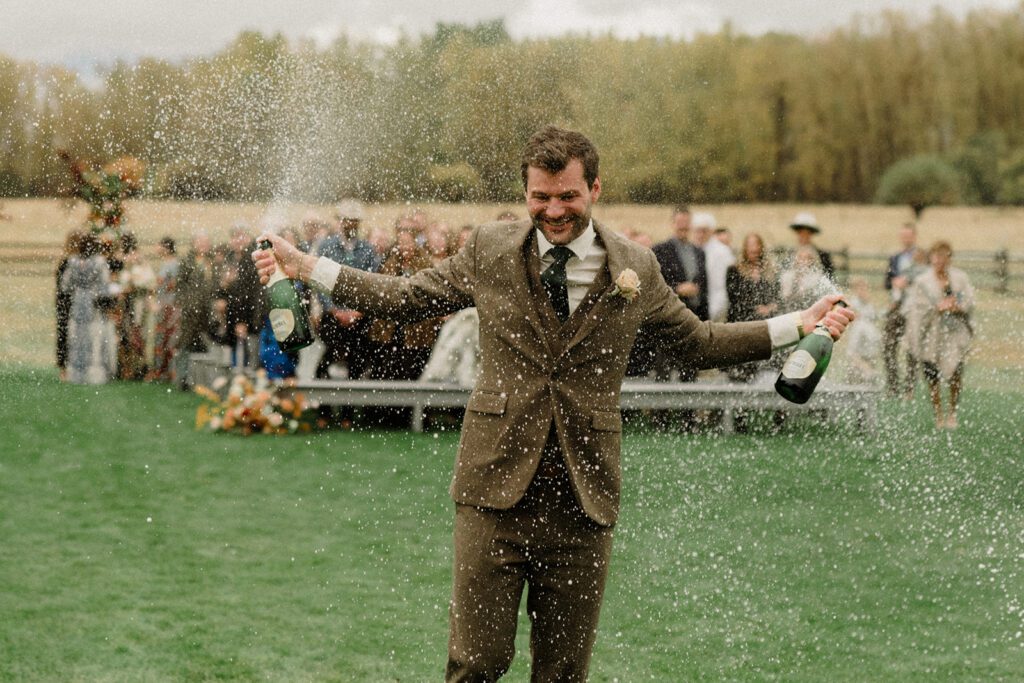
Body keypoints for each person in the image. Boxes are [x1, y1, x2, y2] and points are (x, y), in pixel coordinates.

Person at [253, 125, 853, 681]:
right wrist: (304, 266)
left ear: (595, 189)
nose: (554, 211)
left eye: (568, 196)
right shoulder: (489, 248)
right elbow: (404, 297)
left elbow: (698, 342)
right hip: (492, 490)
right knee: (476, 664)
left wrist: (798, 324)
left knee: (564, 674)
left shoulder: (635, 267)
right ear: (526, 191)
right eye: (541, 197)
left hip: (584, 496)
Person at [908, 241, 974, 430]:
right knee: (932, 376)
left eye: (943, 256)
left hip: (954, 333)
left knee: (956, 373)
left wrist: (957, 306)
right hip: (932, 334)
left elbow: (968, 299)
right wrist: (935, 307)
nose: (939, 260)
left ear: (949, 258)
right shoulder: (923, 281)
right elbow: (917, 308)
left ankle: (952, 412)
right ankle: (938, 415)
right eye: (936, 256)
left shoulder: (960, 278)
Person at [314, 200, 380, 380]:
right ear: (340, 221)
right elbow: (320, 282)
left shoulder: (367, 249)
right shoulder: (326, 246)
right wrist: (335, 310)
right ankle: (324, 405)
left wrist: (357, 312)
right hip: (333, 315)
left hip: (358, 316)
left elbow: (371, 283)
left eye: (354, 220)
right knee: (327, 361)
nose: (350, 224)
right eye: (347, 220)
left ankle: (351, 405)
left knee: (357, 361)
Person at [651, 205, 707, 383]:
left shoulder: (699, 252)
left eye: (687, 223)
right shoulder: (660, 250)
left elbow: (705, 285)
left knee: (690, 370)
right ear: (673, 224)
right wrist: (677, 289)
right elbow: (654, 283)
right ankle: (661, 410)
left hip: (693, 319)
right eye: (680, 223)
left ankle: (688, 412)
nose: (683, 227)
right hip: (668, 319)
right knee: (664, 371)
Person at [725, 233, 780, 382]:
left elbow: (777, 298)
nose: (753, 249)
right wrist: (754, 306)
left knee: (765, 369)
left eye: (756, 245)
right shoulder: (734, 271)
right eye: (750, 245)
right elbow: (734, 299)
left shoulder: (770, 272)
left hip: (765, 328)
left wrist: (769, 308)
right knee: (741, 370)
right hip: (742, 327)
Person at [61, 231, 114, 384]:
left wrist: (78, 290)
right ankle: (95, 373)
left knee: (77, 337)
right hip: (93, 301)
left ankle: (77, 373)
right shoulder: (99, 262)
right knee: (95, 336)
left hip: (78, 301)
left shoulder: (73, 262)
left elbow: (65, 285)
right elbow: (105, 285)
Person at [883, 222, 922, 398]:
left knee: (912, 347)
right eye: (903, 235)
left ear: (914, 236)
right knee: (888, 344)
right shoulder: (895, 258)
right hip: (897, 305)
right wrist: (894, 282)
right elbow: (886, 282)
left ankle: (910, 387)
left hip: (915, 306)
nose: (906, 238)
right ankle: (893, 386)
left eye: (909, 235)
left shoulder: (922, 256)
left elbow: (927, 279)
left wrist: (909, 282)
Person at [691, 211, 736, 322]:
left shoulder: (722, 252)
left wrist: (714, 313)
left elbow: (720, 286)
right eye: (697, 231)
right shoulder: (691, 250)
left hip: (716, 309)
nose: (700, 234)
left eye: (704, 231)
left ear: (711, 231)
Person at [789, 212, 834, 280]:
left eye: (806, 233)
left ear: (811, 234)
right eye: (800, 232)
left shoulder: (823, 255)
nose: (802, 236)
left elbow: (828, 276)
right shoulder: (791, 254)